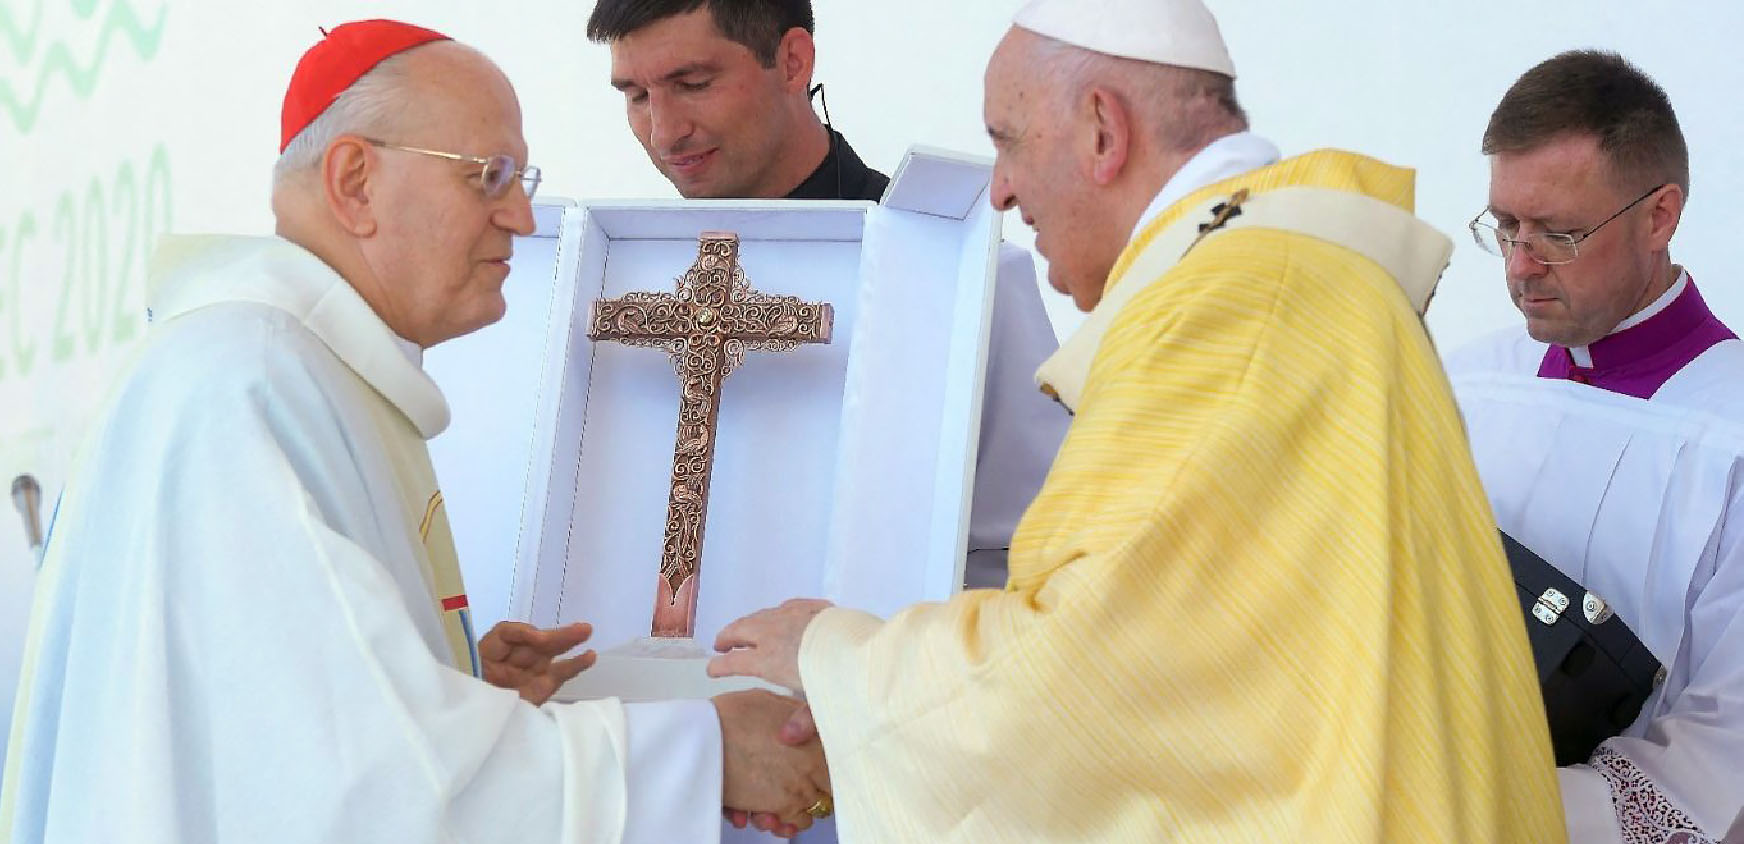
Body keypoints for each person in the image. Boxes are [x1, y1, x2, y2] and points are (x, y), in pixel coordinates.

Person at [705, 0, 1566, 839]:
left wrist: (834, 658)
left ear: (1103, 133)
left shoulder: (1226, 307)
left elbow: (1082, 674)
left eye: (1008, 141)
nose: (999, 189)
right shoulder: (1296, 276)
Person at [0, 20, 828, 844]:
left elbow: (278, 722)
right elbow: (369, 790)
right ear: (356, 182)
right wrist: (707, 749)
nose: (521, 220)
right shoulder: (246, 387)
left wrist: (450, 679)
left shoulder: (289, 371)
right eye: (490, 177)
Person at [589, 0, 1070, 591]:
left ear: (792, 62)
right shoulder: (608, 287)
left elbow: (1036, 554)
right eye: (635, 96)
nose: (664, 132)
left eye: (692, 84)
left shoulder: (965, 276)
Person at [1447, 50, 1744, 843]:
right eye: (1505, 227)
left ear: (1660, 215)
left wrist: (1477, 809)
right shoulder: (1465, 383)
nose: (1519, 267)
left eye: (1560, 235)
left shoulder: (1732, 436)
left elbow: (1719, 758)